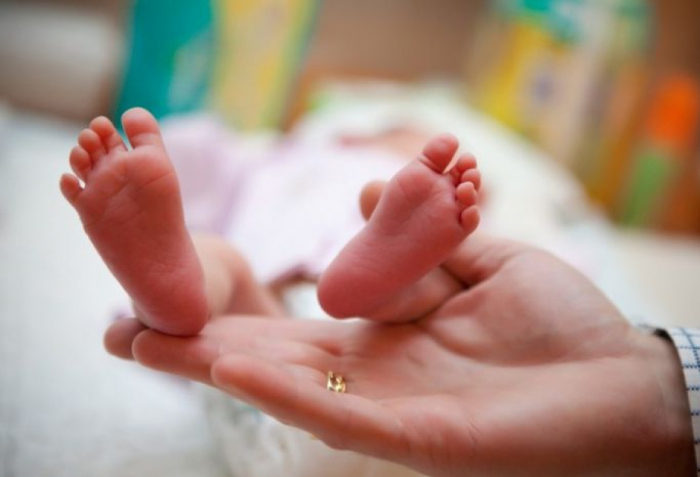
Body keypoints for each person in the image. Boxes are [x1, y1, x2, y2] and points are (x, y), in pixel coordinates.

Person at [61, 108, 697, 476]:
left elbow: (555, 268)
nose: (411, 153)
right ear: (347, 138)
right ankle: (181, 286)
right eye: (399, 139)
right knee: (219, 273)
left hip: (305, 360)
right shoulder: (288, 155)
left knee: (223, 266)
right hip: (312, 352)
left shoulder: (471, 215)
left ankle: (180, 293)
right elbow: (209, 164)